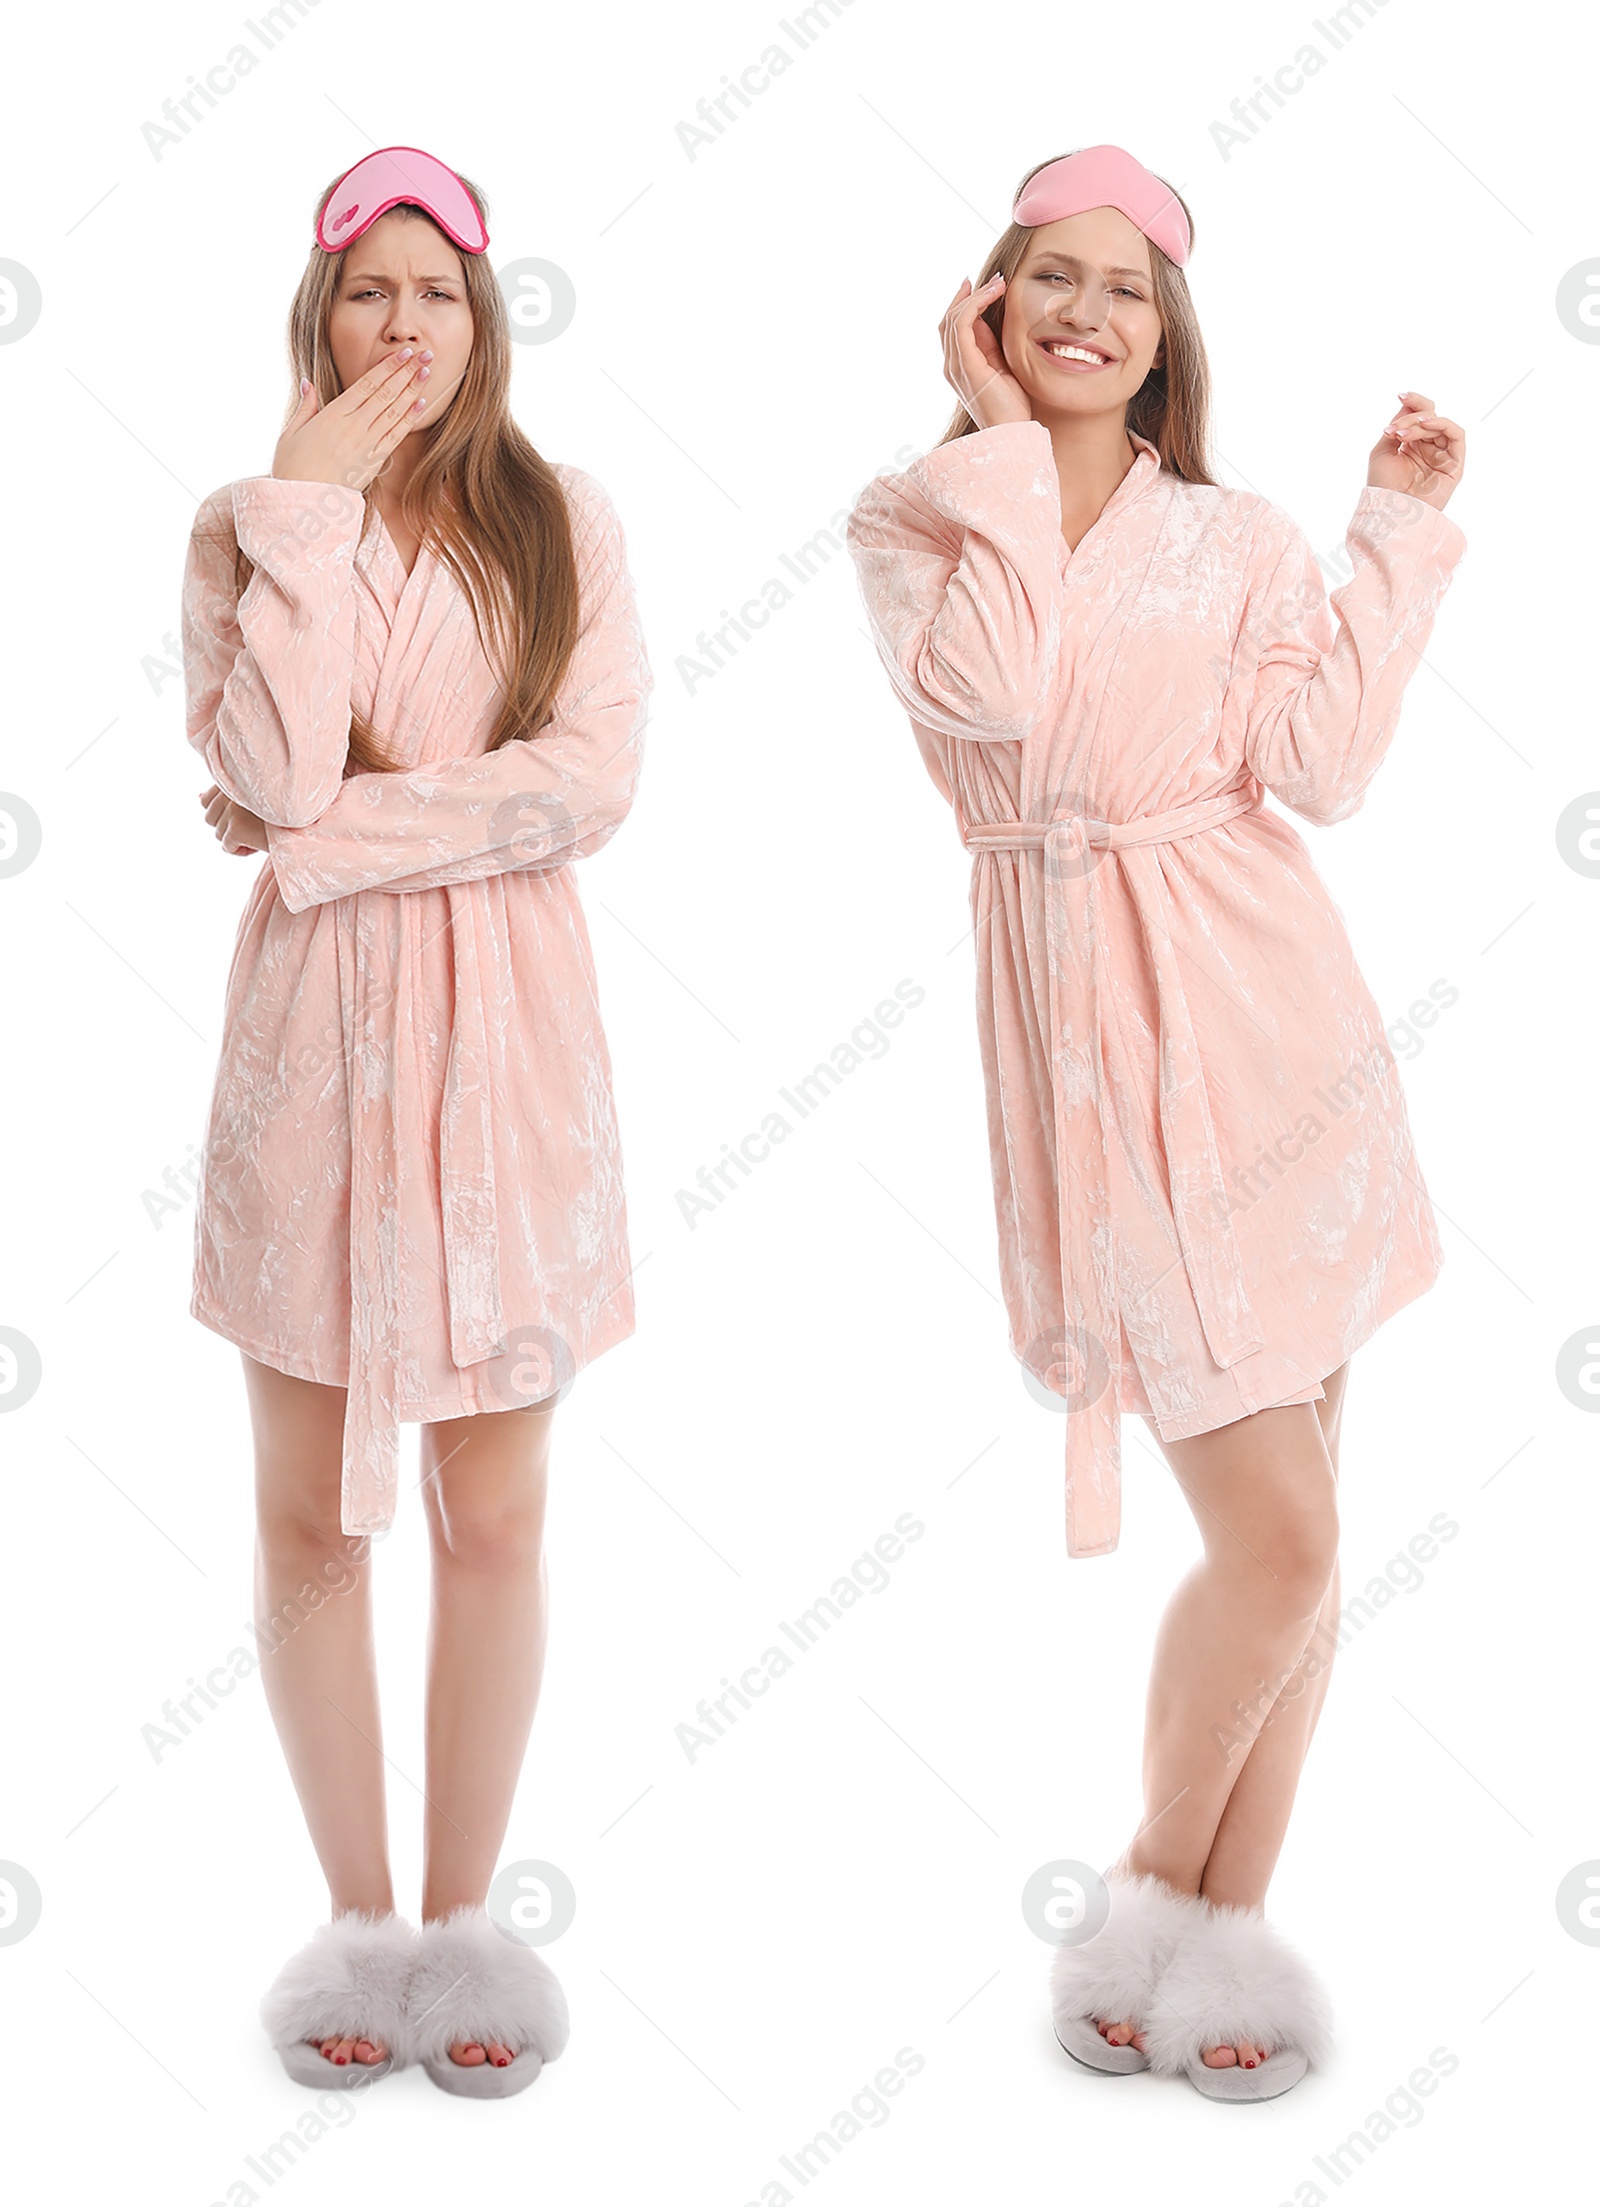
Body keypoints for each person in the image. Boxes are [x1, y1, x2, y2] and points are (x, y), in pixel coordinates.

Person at [845, 144, 1466, 2101]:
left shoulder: (1240, 532)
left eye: (1121, 284)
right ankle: (1140, 1891)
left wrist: (1394, 536)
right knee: (1272, 1541)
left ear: (1164, 327)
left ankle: (1219, 1938)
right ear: (992, 310)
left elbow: (1318, 767)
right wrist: (998, 454)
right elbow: (998, 709)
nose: (1085, 312)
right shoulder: (918, 519)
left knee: (1300, 1542)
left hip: (1280, 1025)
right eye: (1047, 280)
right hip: (1092, 1049)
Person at [181, 146, 651, 2098]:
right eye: (366, 293)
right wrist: (302, 513)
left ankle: (468, 1925)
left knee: (493, 1507)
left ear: (485, 318)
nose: (402, 325)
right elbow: (271, 765)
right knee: (307, 1512)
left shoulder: (563, 523)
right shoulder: (245, 526)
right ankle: (360, 1919)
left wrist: (327, 844)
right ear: (318, 321)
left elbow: (585, 782)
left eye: (434, 292)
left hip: (512, 1043)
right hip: (312, 1052)